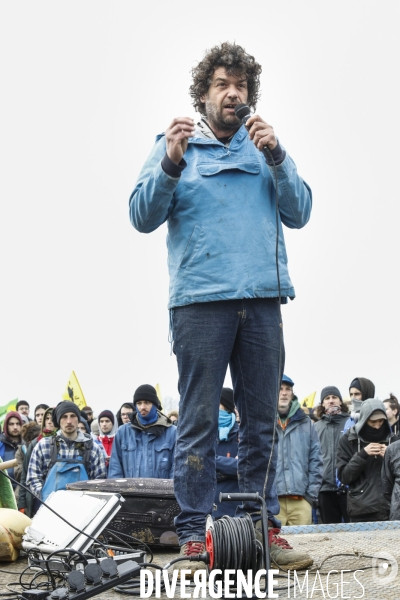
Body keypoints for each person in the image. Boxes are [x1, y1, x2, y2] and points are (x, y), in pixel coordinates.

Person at [129, 41, 312, 572]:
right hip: (199, 304)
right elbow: (141, 215)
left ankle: (264, 530)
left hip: (260, 304)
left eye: (241, 86)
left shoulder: (265, 148)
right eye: (221, 85)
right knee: (197, 422)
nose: (233, 94)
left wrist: (277, 155)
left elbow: (300, 211)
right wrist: (168, 162)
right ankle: (191, 535)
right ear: (203, 94)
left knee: (260, 423)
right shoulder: (174, 143)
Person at [26, 401, 106, 505]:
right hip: (50, 510)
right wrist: (45, 497)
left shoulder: (92, 448)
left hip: (83, 510)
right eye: (64, 416)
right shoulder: (44, 446)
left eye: (73, 416)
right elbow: (33, 478)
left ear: (78, 419)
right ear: (58, 420)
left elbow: (99, 481)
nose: (69, 421)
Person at [337, 398, 396, 522]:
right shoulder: (349, 440)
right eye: (373, 421)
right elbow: (344, 477)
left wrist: (390, 457)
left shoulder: (393, 440)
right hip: (361, 509)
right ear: (364, 419)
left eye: (381, 421)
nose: (377, 425)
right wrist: (362, 455)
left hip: (391, 507)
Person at [275, 375, 323, 525]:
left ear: (292, 393)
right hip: (272, 503)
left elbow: (316, 460)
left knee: (303, 546)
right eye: (280, 389)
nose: (284, 393)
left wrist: (310, 496)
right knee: (271, 546)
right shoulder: (263, 422)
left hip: (301, 501)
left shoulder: (306, 423)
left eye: (287, 389)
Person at [108, 384, 176, 479]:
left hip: (162, 493)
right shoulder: (122, 432)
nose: (142, 407)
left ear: (155, 405)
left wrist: (169, 493)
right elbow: (115, 469)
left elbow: (176, 470)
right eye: (139, 403)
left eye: (147, 402)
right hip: (129, 493)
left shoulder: (172, 433)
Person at [313, 387, 350, 524]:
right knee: (329, 534)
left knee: (354, 532)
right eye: (327, 398)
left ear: (340, 401)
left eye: (334, 397)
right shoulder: (316, 427)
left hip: (348, 488)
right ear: (322, 403)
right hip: (324, 489)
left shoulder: (350, 424)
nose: (331, 401)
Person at [18, 407, 56, 516]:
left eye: (52, 418)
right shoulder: (35, 443)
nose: (49, 421)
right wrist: (22, 503)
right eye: (47, 418)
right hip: (38, 497)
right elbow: (25, 475)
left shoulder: (65, 442)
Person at [214, 387, 240, 518]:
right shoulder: (204, 433)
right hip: (208, 509)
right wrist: (227, 468)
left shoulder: (241, 435)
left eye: (217, 403)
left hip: (232, 510)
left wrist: (212, 460)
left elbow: (241, 467)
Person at [0, 411, 23, 484]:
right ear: (6, 426)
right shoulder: (1, 444)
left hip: (22, 488)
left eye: (18, 424)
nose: (15, 427)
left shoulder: (26, 445)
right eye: (11, 424)